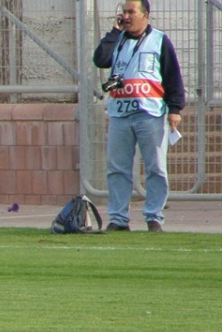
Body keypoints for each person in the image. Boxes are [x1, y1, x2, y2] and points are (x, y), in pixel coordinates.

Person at [93, 0, 185, 232]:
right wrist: (114, 32)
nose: (126, 16)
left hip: (150, 114)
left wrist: (175, 109)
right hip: (120, 114)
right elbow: (100, 60)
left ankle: (154, 217)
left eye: (131, 12)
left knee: (156, 168)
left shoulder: (159, 40)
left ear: (145, 15)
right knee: (117, 168)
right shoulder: (117, 40)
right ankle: (118, 219)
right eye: (124, 12)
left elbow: (172, 75)